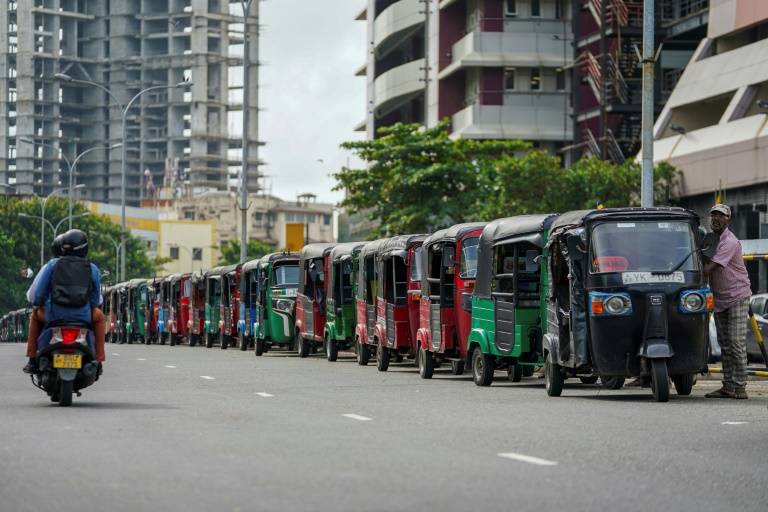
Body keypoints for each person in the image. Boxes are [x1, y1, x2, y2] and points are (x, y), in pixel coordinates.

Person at [23, 229, 106, 374]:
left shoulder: (52, 265)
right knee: (99, 317)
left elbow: (39, 295)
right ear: (85, 248)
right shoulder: (92, 269)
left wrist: (39, 304)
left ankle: (31, 359)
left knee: (35, 315)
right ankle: (99, 359)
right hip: (83, 317)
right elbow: (94, 300)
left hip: (53, 315)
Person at [704, 204, 752, 399]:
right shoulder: (710, 240)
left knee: (735, 342)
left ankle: (740, 387)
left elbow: (707, 269)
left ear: (728, 221)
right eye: (713, 214)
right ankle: (728, 386)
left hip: (737, 296)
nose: (716, 218)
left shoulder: (730, 242)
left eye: (721, 216)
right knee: (724, 343)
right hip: (720, 298)